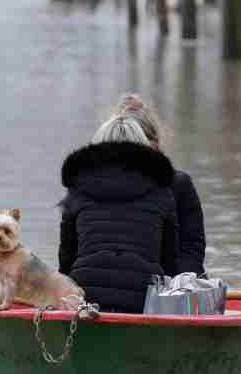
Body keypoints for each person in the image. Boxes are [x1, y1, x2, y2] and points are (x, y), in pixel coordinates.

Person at [58, 114, 179, 313]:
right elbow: (169, 258)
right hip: (144, 297)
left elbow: (66, 255)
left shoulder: (78, 188)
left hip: (85, 295)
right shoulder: (161, 190)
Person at [113, 94, 206, 276]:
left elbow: (192, 249)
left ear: (154, 144)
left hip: (171, 283)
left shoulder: (179, 184)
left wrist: (173, 285)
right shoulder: (99, 188)